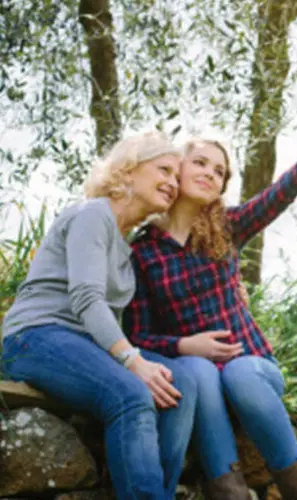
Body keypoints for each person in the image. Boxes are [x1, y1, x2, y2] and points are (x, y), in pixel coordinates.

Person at [122, 103, 297, 500]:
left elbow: (280, 194)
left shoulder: (228, 227)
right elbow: (137, 334)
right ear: (177, 169)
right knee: (203, 373)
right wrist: (184, 346)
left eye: (219, 171)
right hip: (202, 382)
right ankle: (229, 493)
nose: (209, 172)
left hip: (252, 369)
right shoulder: (143, 254)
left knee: (236, 374)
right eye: (200, 163)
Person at [1, 132, 199, 500]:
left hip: (83, 346)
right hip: (35, 338)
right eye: (164, 170)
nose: (173, 182)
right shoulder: (93, 214)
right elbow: (87, 299)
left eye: (176, 176)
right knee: (130, 393)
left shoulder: (126, 245)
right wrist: (133, 362)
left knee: (181, 385)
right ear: (127, 170)